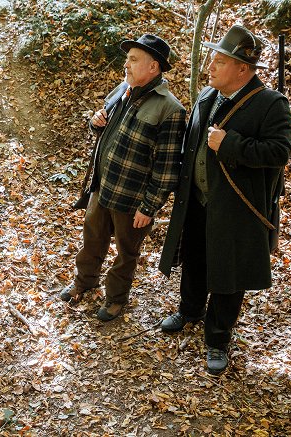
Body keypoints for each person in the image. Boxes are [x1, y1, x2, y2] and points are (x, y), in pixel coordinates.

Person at [158, 25, 291, 375]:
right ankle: (189, 310)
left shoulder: (270, 104)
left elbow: (279, 152)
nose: (212, 67)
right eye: (214, 60)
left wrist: (230, 144)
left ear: (243, 69)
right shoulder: (208, 94)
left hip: (236, 209)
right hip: (199, 200)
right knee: (195, 256)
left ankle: (218, 338)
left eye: (220, 61)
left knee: (228, 272)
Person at [61, 34, 186, 321]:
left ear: (153, 67)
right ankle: (85, 282)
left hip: (132, 198)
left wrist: (149, 206)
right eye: (127, 58)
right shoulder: (123, 89)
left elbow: (167, 167)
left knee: (126, 252)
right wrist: (96, 122)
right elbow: (105, 129)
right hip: (102, 186)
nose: (125, 64)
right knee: (92, 239)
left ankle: (116, 298)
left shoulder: (170, 109)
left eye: (133, 59)